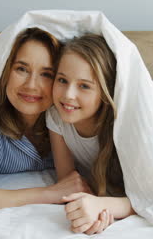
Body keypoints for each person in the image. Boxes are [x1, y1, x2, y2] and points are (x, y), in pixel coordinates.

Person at [0, 27, 94, 211]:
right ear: (6, 72)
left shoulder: (69, 119)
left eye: (46, 74)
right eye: (22, 69)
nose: (31, 85)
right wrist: (50, 193)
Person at [46, 34, 135, 235]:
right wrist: (87, 208)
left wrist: (104, 206)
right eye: (62, 80)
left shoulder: (122, 126)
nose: (68, 94)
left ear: (105, 92)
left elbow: (151, 198)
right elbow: (69, 183)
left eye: (84, 86)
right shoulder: (56, 116)